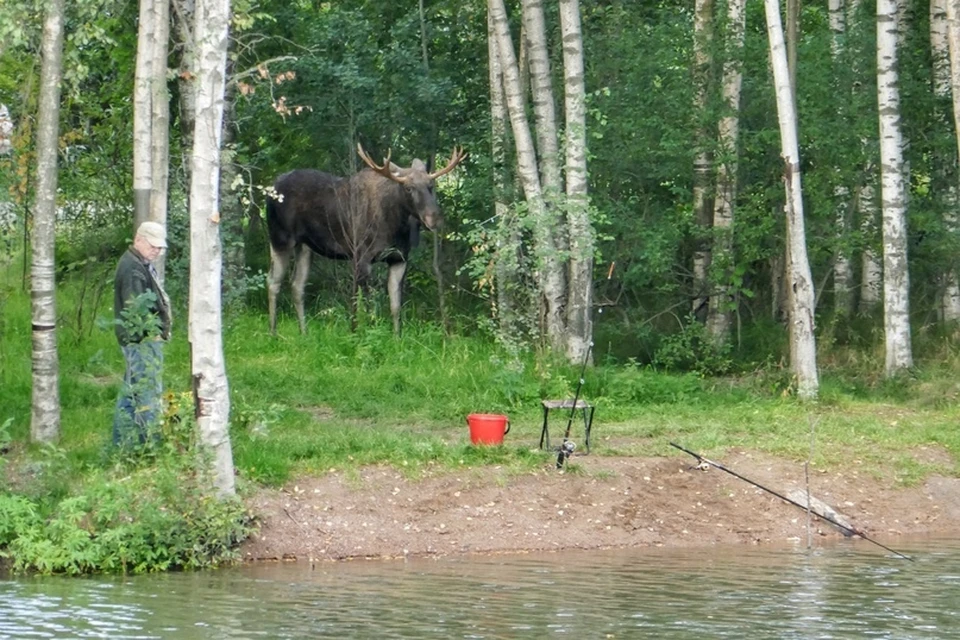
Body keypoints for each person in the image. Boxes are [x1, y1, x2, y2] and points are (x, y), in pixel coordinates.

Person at [112, 221, 172, 448]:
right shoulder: (132, 269)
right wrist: (152, 334)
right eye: (152, 246)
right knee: (148, 393)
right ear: (138, 240)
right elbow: (135, 308)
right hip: (141, 342)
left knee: (130, 393)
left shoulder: (140, 263)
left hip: (139, 341)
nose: (156, 251)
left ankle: (120, 444)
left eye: (159, 247)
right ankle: (153, 445)